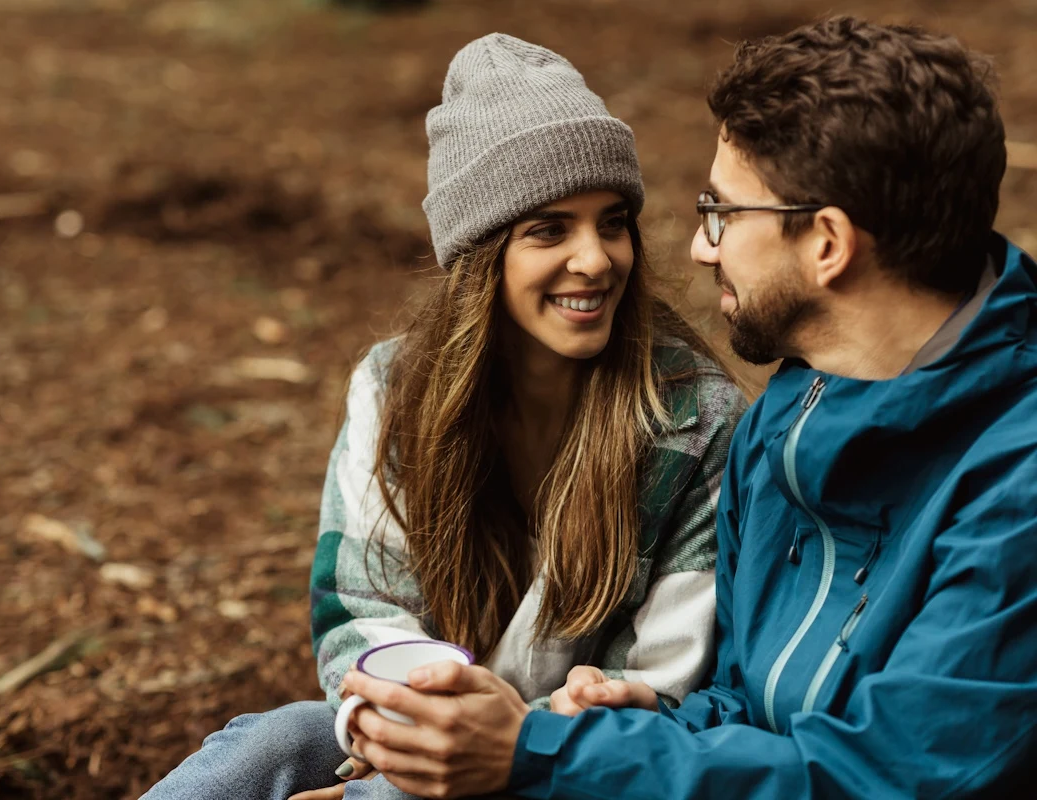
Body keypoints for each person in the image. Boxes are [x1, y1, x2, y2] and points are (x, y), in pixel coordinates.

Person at [337, 16, 1037, 799]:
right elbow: (745, 706)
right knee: (276, 744)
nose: (703, 248)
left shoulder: (1017, 486)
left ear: (828, 244)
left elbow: (892, 778)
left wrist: (544, 755)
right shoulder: (789, 421)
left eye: (724, 213)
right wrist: (643, 714)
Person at [140, 33, 746, 800]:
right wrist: (403, 729)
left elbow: (662, 676)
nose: (595, 258)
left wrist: (473, 752)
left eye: (612, 221)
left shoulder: (693, 416)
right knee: (271, 743)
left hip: (579, 760)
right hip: (422, 720)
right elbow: (361, 609)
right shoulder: (396, 387)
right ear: (481, 254)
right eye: (549, 229)